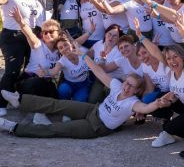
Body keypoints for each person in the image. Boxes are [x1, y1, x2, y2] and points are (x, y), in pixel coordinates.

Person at [0, 49, 169, 139]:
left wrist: (159, 103)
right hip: (92, 110)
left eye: (131, 86)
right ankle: (19, 100)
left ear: (136, 91)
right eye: (126, 83)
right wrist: (83, 56)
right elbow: (98, 71)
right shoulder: (117, 85)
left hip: (97, 127)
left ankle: (15, 128)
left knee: (57, 129)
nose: (126, 87)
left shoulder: (132, 103)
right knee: (58, 105)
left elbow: (146, 108)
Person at [0, 0, 42, 116]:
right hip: (12, 37)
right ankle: (1, 103)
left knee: (29, 70)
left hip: (30, 36)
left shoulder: (34, 0)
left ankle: (18, 97)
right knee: (13, 69)